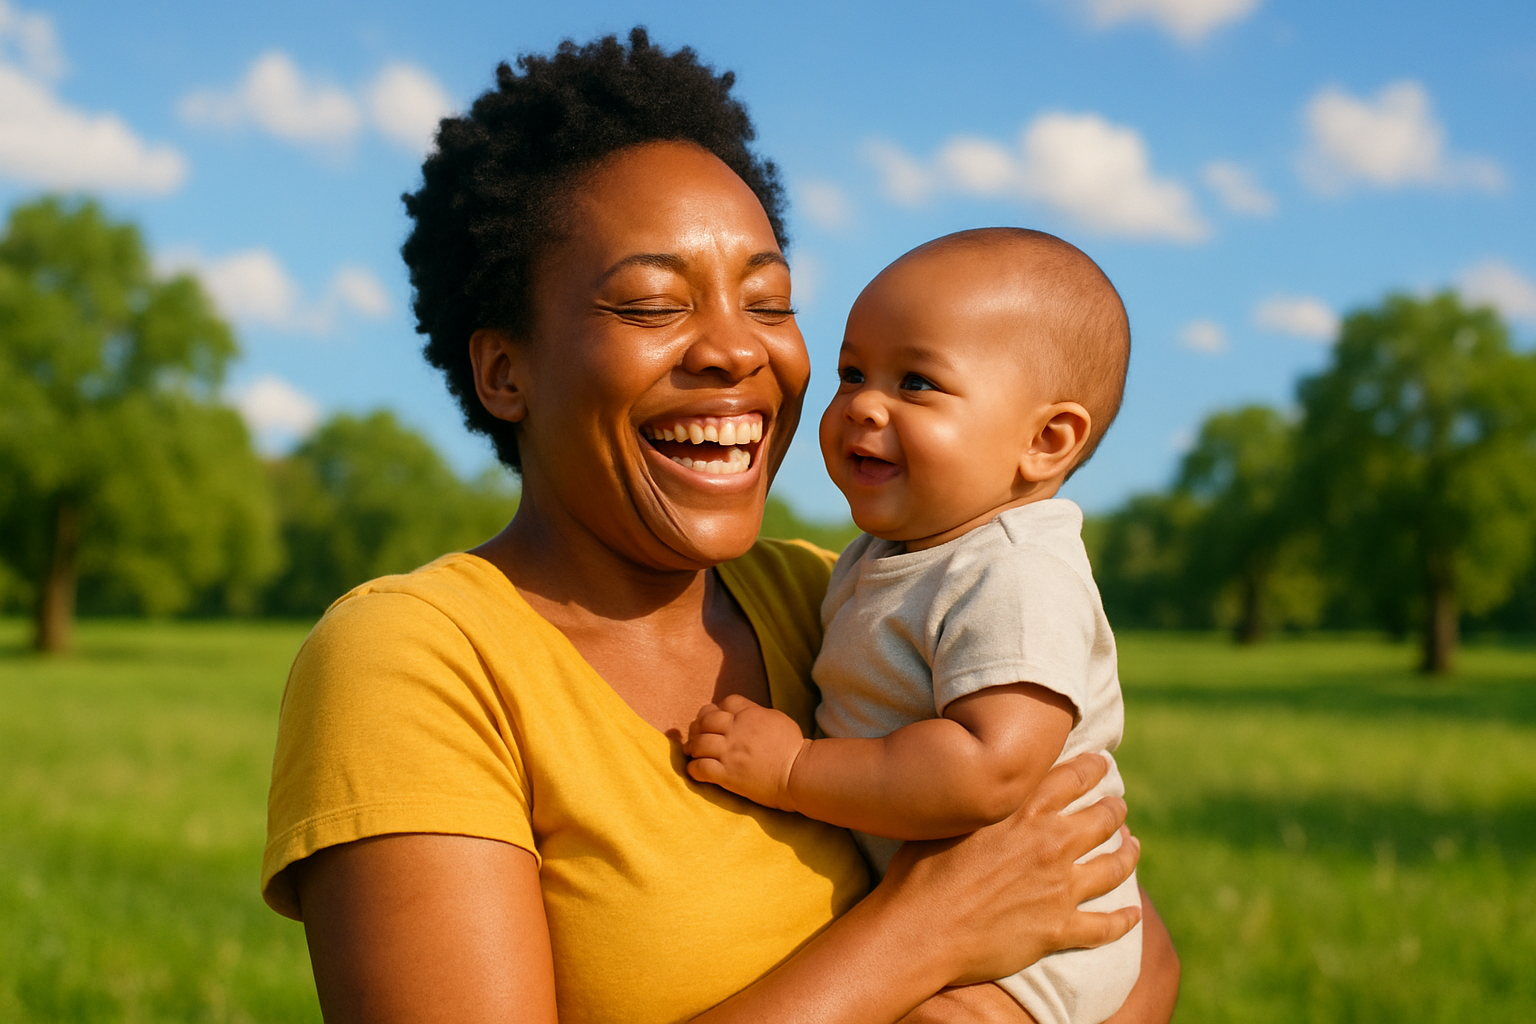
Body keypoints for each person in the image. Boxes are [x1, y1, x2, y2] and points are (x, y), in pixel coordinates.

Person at [261, 30, 1179, 1024]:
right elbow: (982, 903)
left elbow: (1133, 951)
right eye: (653, 305)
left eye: (769, 302)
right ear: (504, 372)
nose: (735, 349)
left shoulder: (839, 596)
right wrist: (926, 932)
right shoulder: (417, 659)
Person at [685, 229, 1140, 1024]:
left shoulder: (1016, 571)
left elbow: (986, 767)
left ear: (1046, 441)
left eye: (918, 382)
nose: (863, 402)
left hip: (1038, 954)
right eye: (853, 372)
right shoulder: (892, 554)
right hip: (965, 925)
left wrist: (795, 769)